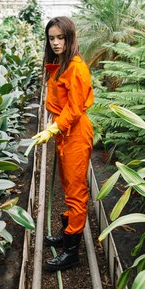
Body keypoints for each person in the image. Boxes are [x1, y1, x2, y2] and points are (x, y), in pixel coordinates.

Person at [32, 16, 94, 271]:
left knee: (76, 192)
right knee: (68, 186)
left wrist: (55, 127)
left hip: (75, 132)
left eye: (61, 38)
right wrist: (55, 127)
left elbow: (76, 107)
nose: (56, 43)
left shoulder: (77, 67)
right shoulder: (61, 64)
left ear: (70, 38)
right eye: (52, 38)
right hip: (64, 131)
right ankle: (66, 234)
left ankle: (71, 252)